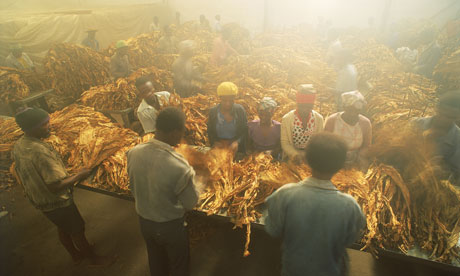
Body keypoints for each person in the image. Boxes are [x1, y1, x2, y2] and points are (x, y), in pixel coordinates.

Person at [12, 108, 114, 266]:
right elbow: (55, 186)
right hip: (56, 200)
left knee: (63, 227)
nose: (49, 127)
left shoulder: (20, 144)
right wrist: (79, 175)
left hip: (40, 199)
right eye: (44, 125)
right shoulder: (39, 152)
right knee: (77, 229)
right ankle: (93, 258)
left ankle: (75, 255)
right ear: (31, 128)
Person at [264, 132, 366, 276]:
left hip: (292, 270)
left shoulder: (284, 195)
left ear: (307, 160)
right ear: (340, 166)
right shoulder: (350, 206)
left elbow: (273, 229)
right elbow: (350, 239)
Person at [127, 107, 200, 276]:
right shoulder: (179, 165)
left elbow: (133, 187)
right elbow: (191, 203)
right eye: (182, 132)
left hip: (144, 222)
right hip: (170, 226)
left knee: (156, 260)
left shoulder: (133, 153)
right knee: (178, 264)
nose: (182, 136)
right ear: (175, 133)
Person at [413, 92, 460, 186]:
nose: (444, 119)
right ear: (437, 109)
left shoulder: (457, 138)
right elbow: (397, 149)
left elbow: (456, 171)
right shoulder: (416, 124)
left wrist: (442, 171)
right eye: (443, 114)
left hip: (431, 184)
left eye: (451, 117)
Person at [324, 91, 372, 168]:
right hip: (333, 157)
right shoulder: (332, 120)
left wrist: (359, 156)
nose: (352, 114)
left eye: (356, 111)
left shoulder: (365, 123)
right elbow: (325, 143)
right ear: (344, 108)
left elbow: (366, 146)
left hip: (355, 158)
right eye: (350, 110)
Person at [280, 84, 324, 163]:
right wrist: (295, 155)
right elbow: (285, 143)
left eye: (308, 107)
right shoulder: (287, 119)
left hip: (311, 156)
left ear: (312, 106)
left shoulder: (318, 119)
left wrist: (310, 155)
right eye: (302, 106)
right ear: (298, 105)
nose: (305, 110)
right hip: (293, 157)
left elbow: (319, 142)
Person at [207, 82, 247, 154]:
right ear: (220, 98)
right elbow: (210, 131)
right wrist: (215, 142)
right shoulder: (213, 112)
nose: (227, 104)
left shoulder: (239, 110)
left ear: (234, 99)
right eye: (225, 101)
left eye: (230, 101)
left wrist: (237, 142)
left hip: (235, 148)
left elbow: (244, 131)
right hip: (219, 147)